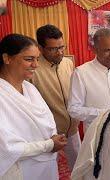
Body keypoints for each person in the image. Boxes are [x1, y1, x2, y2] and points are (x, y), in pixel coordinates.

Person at [0, 34, 67, 179]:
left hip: (46, 164)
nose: (36, 65)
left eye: (37, 59)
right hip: (19, 169)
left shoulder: (30, 88)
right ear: (7, 58)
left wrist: (54, 138)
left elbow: (47, 123)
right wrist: (49, 145)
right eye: (29, 59)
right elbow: (7, 147)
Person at [31, 24, 80, 170]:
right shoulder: (33, 69)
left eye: (61, 47)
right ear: (40, 48)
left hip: (73, 130)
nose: (59, 53)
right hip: (48, 135)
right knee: (49, 171)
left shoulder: (68, 63)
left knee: (78, 168)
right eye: (53, 49)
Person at [68, 28, 110, 131]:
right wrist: (104, 113)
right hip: (96, 133)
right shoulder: (81, 73)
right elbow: (73, 109)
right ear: (94, 49)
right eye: (107, 50)